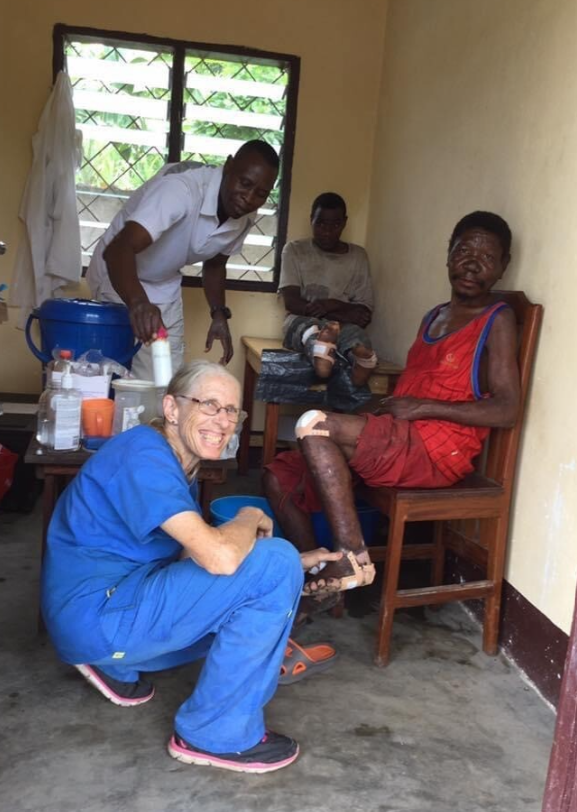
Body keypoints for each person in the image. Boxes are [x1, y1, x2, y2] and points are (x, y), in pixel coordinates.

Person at [40, 360, 342, 774]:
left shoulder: (178, 460)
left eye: (232, 411)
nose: (223, 421)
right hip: (96, 615)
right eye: (209, 405)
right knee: (271, 564)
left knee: (276, 568)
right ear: (171, 408)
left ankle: (115, 664)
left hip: (103, 608)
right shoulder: (143, 456)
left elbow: (188, 556)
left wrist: (297, 568)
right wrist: (251, 516)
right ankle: (214, 735)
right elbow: (219, 557)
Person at [263, 211, 520, 596]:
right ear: (448, 255)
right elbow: (412, 393)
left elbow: (507, 409)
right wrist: (380, 406)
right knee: (277, 475)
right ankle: (318, 569)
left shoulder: (497, 321)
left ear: (503, 267)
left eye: (486, 257)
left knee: (313, 424)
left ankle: (353, 558)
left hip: (436, 452)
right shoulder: (434, 316)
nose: (471, 263)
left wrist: (422, 409)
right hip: (400, 440)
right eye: (464, 251)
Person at [86, 141, 279, 377]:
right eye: (245, 183)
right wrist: (138, 303)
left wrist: (218, 313)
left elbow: (216, 263)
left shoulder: (244, 215)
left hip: (163, 283)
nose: (249, 198)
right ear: (229, 166)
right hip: (119, 273)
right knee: (114, 374)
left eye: (261, 194)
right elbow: (118, 249)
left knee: (164, 380)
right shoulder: (181, 190)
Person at [279, 192, 377, 387]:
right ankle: (321, 351)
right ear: (311, 220)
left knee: (356, 337)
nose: (327, 231)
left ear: (344, 223)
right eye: (321, 224)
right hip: (304, 319)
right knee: (308, 329)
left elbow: (364, 314)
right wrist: (342, 310)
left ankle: (360, 360)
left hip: (343, 326)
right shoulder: (295, 250)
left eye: (335, 225)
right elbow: (291, 302)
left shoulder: (358, 256)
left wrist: (329, 305)